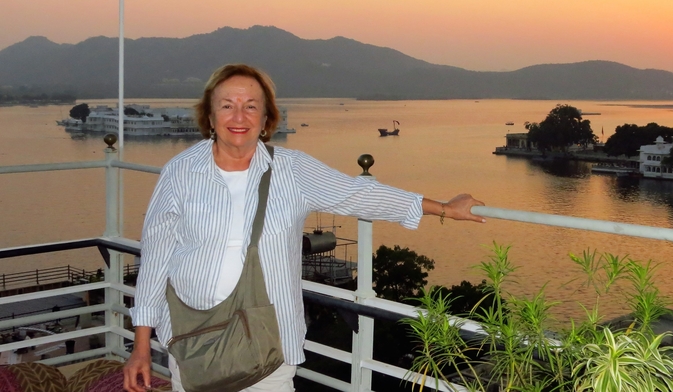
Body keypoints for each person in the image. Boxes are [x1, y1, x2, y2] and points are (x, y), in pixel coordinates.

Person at [123, 64, 485, 392]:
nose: (239, 115)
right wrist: (142, 347)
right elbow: (156, 260)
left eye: (251, 105)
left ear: (266, 117)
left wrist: (444, 209)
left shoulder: (292, 171)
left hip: (267, 347)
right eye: (227, 104)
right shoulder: (180, 172)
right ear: (210, 114)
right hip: (194, 342)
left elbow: (357, 194)